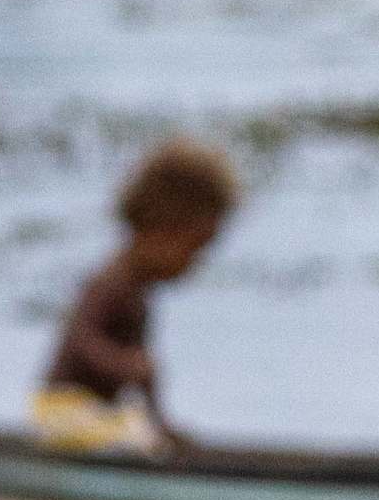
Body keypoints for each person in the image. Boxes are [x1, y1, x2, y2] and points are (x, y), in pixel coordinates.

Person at [35, 137, 240, 454]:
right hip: (63, 411)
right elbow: (79, 337)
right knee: (135, 437)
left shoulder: (140, 295)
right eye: (193, 249)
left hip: (97, 418)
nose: (193, 263)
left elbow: (145, 381)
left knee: (146, 436)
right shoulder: (112, 283)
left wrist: (162, 425)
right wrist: (123, 364)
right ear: (162, 229)